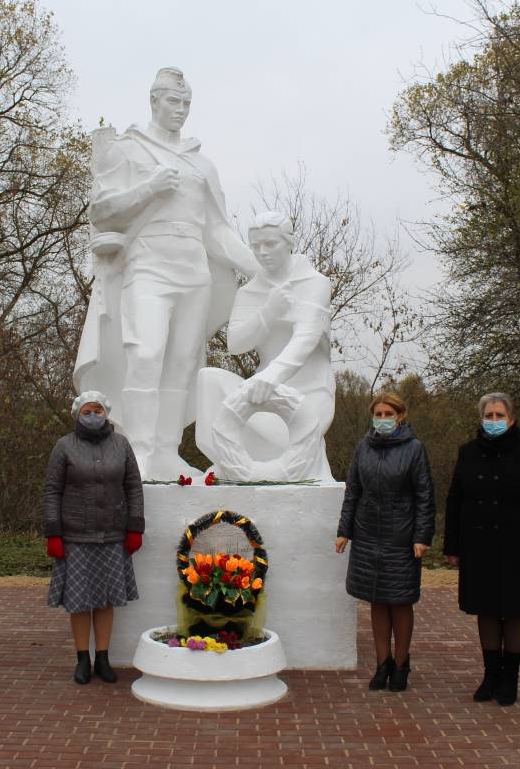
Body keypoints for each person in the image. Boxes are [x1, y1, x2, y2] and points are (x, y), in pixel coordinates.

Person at [74, 66, 259, 480]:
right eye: (173, 101)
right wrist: (149, 188)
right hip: (148, 265)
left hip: (195, 270)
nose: (180, 110)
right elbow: (101, 209)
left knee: (181, 363)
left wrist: (261, 269)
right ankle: (138, 452)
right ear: (154, 101)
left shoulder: (202, 165)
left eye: (186, 103)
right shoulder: (130, 149)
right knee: (146, 353)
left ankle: (166, 450)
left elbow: (218, 230)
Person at [443, 392, 520, 706]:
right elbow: (455, 500)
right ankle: (490, 675)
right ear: (481, 419)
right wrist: (452, 545)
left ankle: (510, 679)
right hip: (479, 545)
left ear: (512, 418)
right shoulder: (468, 452)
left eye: (499, 415)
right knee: (487, 610)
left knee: (516, 610)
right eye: (489, 416)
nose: (493, 421)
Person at [202, 210, 334, 481]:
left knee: (292, 439)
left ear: (289, 242)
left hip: (308, 392)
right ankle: (228, 465)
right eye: (255, 245)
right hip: (261, 391)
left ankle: (287, 467)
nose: (262, 252)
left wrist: (272, 377)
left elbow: (306, 337)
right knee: (207, 380)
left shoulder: (314, 283)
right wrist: (268, 312)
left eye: (270, 244)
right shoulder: (249, 292)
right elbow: (235, 343)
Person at [335, 391, 435, 691]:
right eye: (377, 414)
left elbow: (425, 495)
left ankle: (402, 664)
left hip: (401, 537)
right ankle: (383, 664)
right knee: (377, 600)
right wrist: (344, 531)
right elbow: (353, 491)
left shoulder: (415, 449)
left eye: (387, 414)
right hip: (368, 535)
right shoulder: (363, 448)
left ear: (400, 416)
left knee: (400, 600)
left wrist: (422, 536)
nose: (382, 420)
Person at [43, 390, 145, 684]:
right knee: (79, 601)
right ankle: (81, 659)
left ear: (106, 413)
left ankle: (102, 658)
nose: (93, 416)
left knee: (105, 600)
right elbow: (52, 490)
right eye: (87, 411)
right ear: (77, 414)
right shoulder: (64, 446)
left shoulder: (121, 445)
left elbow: (134, 487)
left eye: (97, 411)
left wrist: (135, 527)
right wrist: (53, 533)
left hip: (112, 534)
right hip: (75, 536)